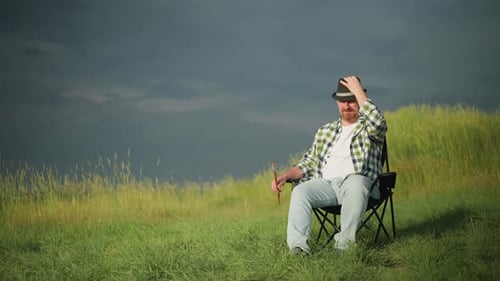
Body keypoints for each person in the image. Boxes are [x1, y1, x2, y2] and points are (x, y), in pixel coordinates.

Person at [271, 75, 387, 255]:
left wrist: (359, 91)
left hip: (359, 183)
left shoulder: (369, 128)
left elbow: (378, 123)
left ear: (359, 99)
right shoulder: (326, 131)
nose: (347, 105)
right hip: (327, 186)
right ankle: (299, 247)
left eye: (351, 100)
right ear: (337, 103)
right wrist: (285, 176)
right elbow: (308, 163)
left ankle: (344, 247)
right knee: (300, 191)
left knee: (356, 183)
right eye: (342, 101)